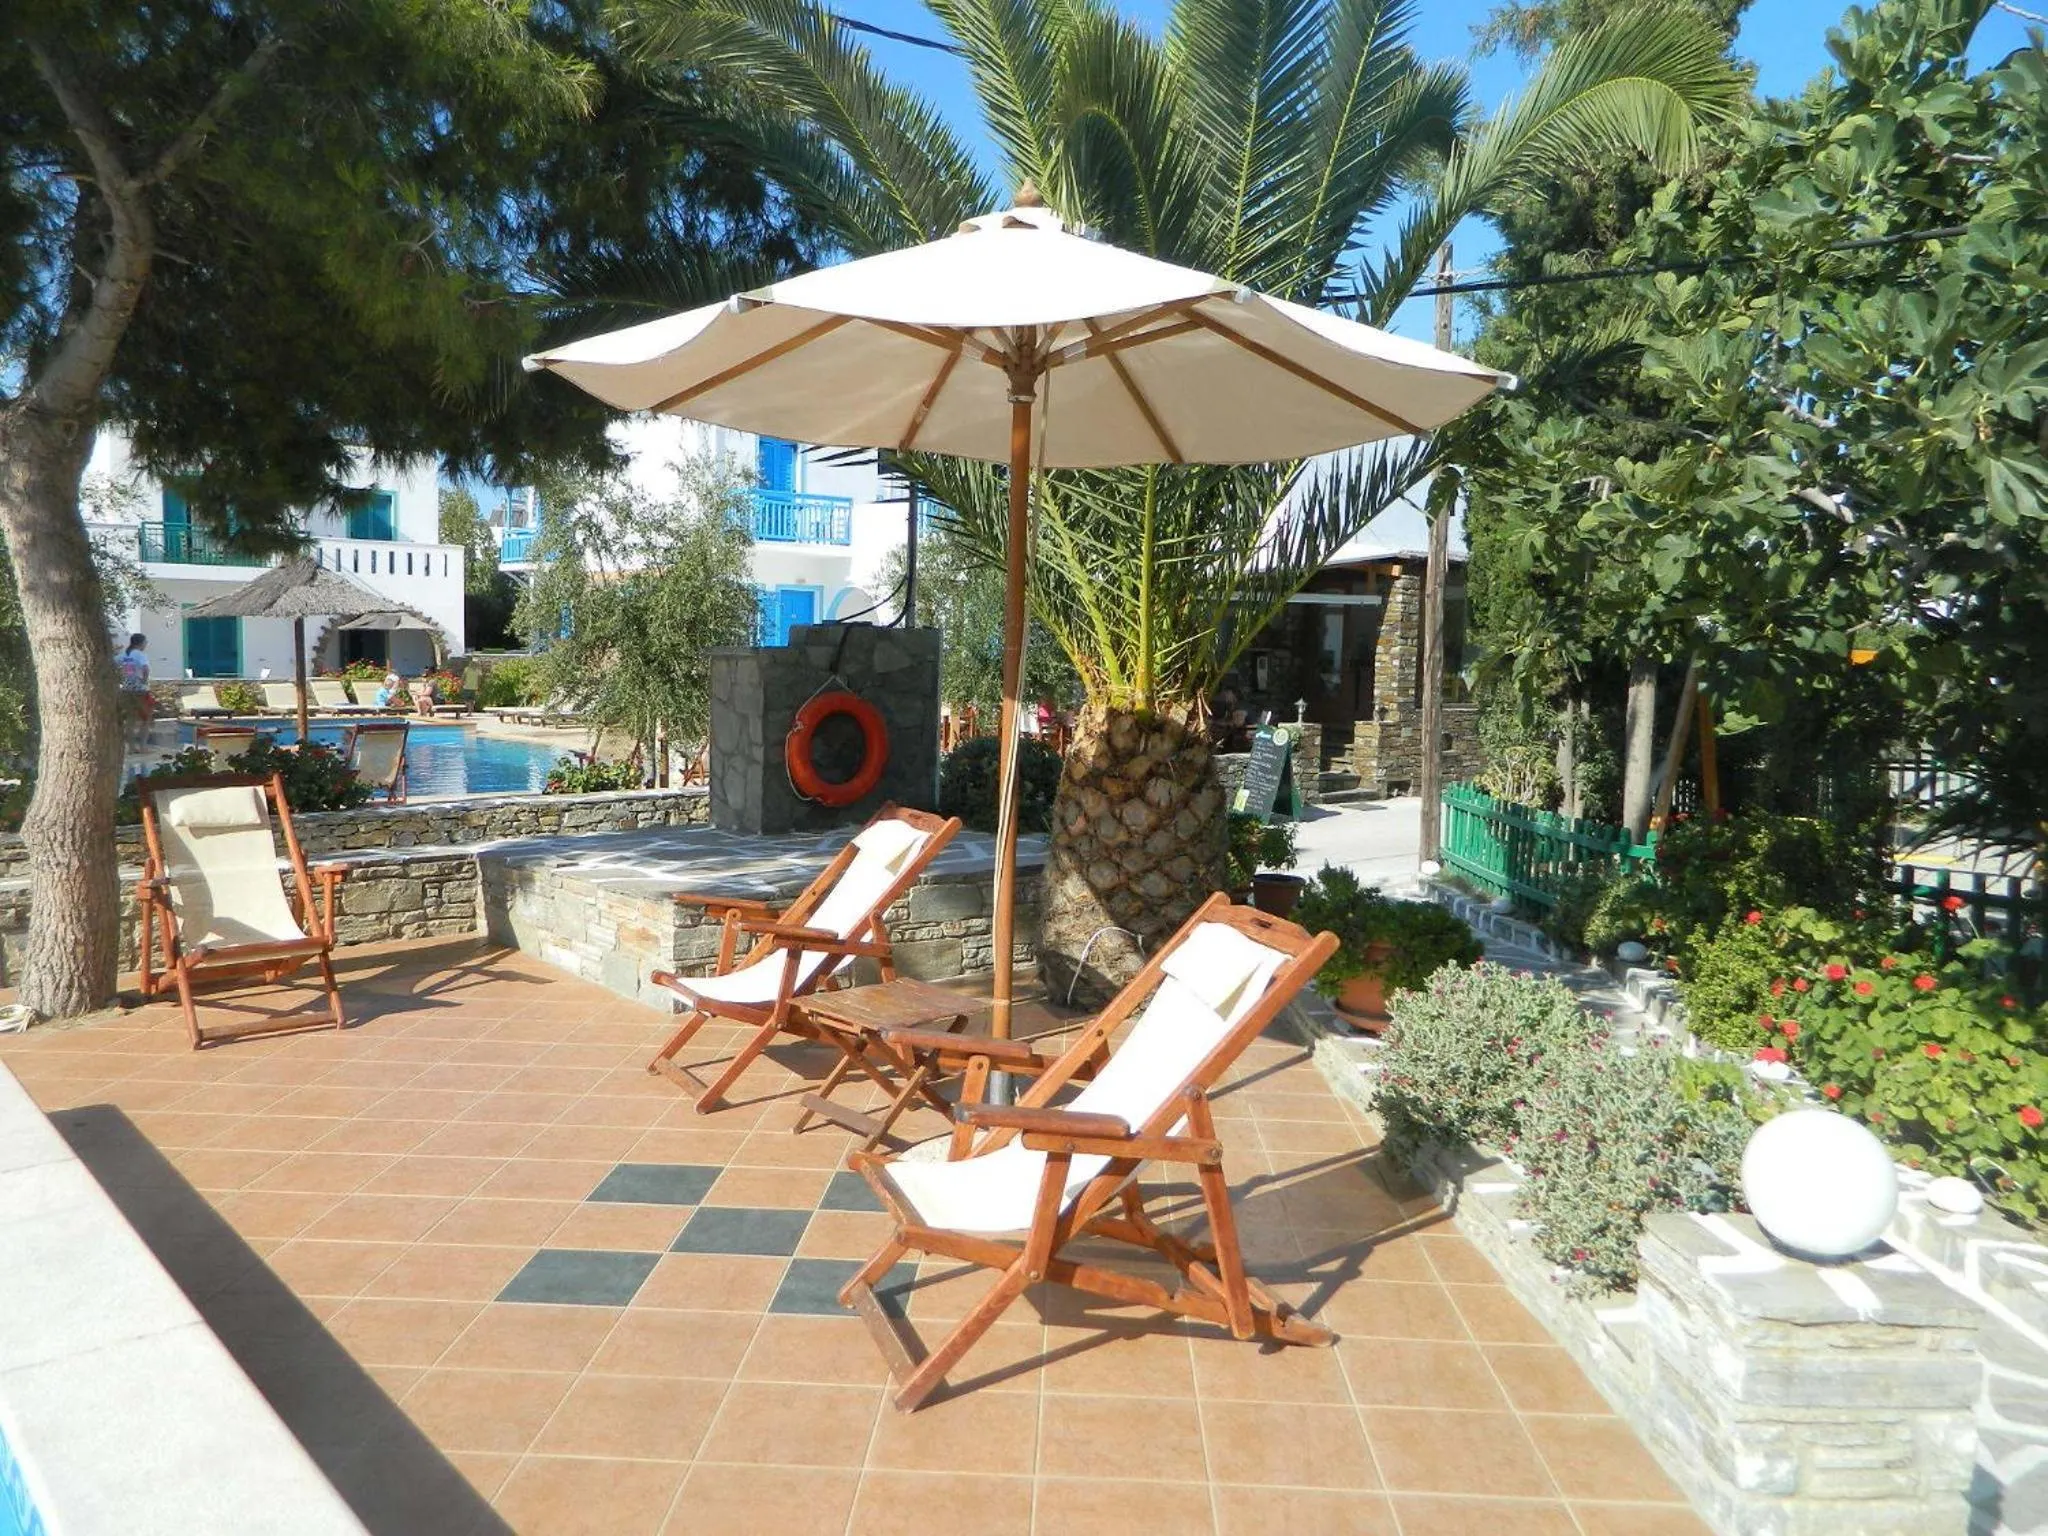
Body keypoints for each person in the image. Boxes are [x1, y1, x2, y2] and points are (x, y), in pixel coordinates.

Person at [114, 633, 151, 748]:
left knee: (131, 719)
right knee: (146, 718)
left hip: (126, 689)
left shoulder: (125, 655)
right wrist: (144, 680)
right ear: (140, 643)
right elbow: (145, 668)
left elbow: (113, 664)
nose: (146, 644)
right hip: (140, 690)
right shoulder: (140, 654)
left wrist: (120, 678)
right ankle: (143, 747)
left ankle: (131, 747)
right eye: (145, 642)